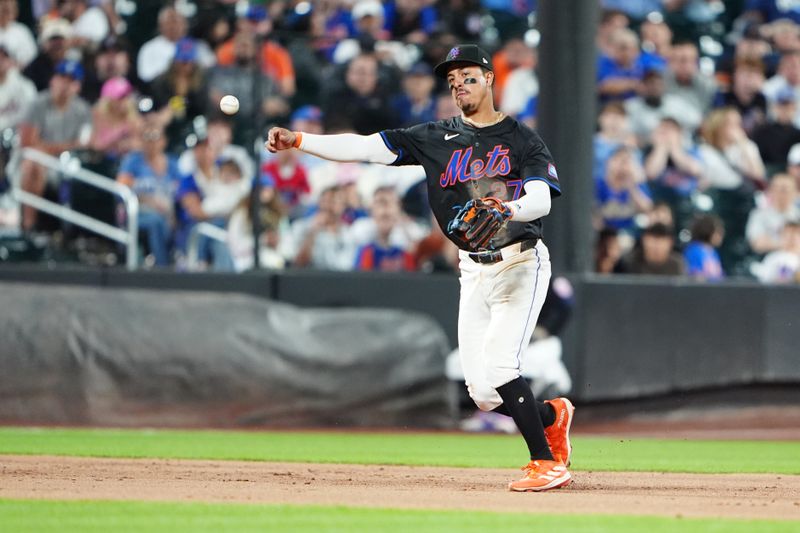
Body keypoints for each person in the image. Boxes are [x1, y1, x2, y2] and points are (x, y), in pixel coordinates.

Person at [267, 44, 574, 492]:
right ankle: (552, 415)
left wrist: (507, 209)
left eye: (468, 76)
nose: (459, 86)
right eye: (452, 81)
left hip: (520, 263)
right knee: (484, 395)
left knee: (502, 364)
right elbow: (366, 148)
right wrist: (301, 140)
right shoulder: (435, 137)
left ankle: (545, 463)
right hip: (473, 269)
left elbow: (542, 199)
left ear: (489, 79)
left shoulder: (522, 139)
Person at [683, 214, 725, 281]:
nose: (721, 235)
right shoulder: (693, 250)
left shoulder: (713, 253)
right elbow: (693, 274)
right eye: (718, 232)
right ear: (708, 230)